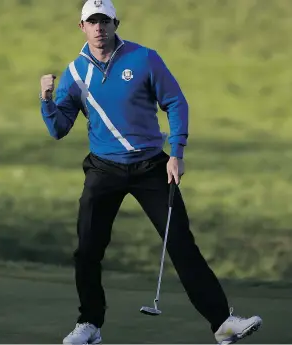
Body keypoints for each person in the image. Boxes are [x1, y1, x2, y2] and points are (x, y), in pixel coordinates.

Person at [39, 0, 262, 344]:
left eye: (105, 21)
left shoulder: (143, 58)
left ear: (116, 23)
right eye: (92, 22)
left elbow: (175, 101)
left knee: (181, 243)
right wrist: (47, 99)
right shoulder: (75, 73)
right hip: (104, 169)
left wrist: (178, 151)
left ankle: (223, 323)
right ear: (81, 27)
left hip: (151, 166)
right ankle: (90, 325)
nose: (99, 28)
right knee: (88, 249)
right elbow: (59, 129)